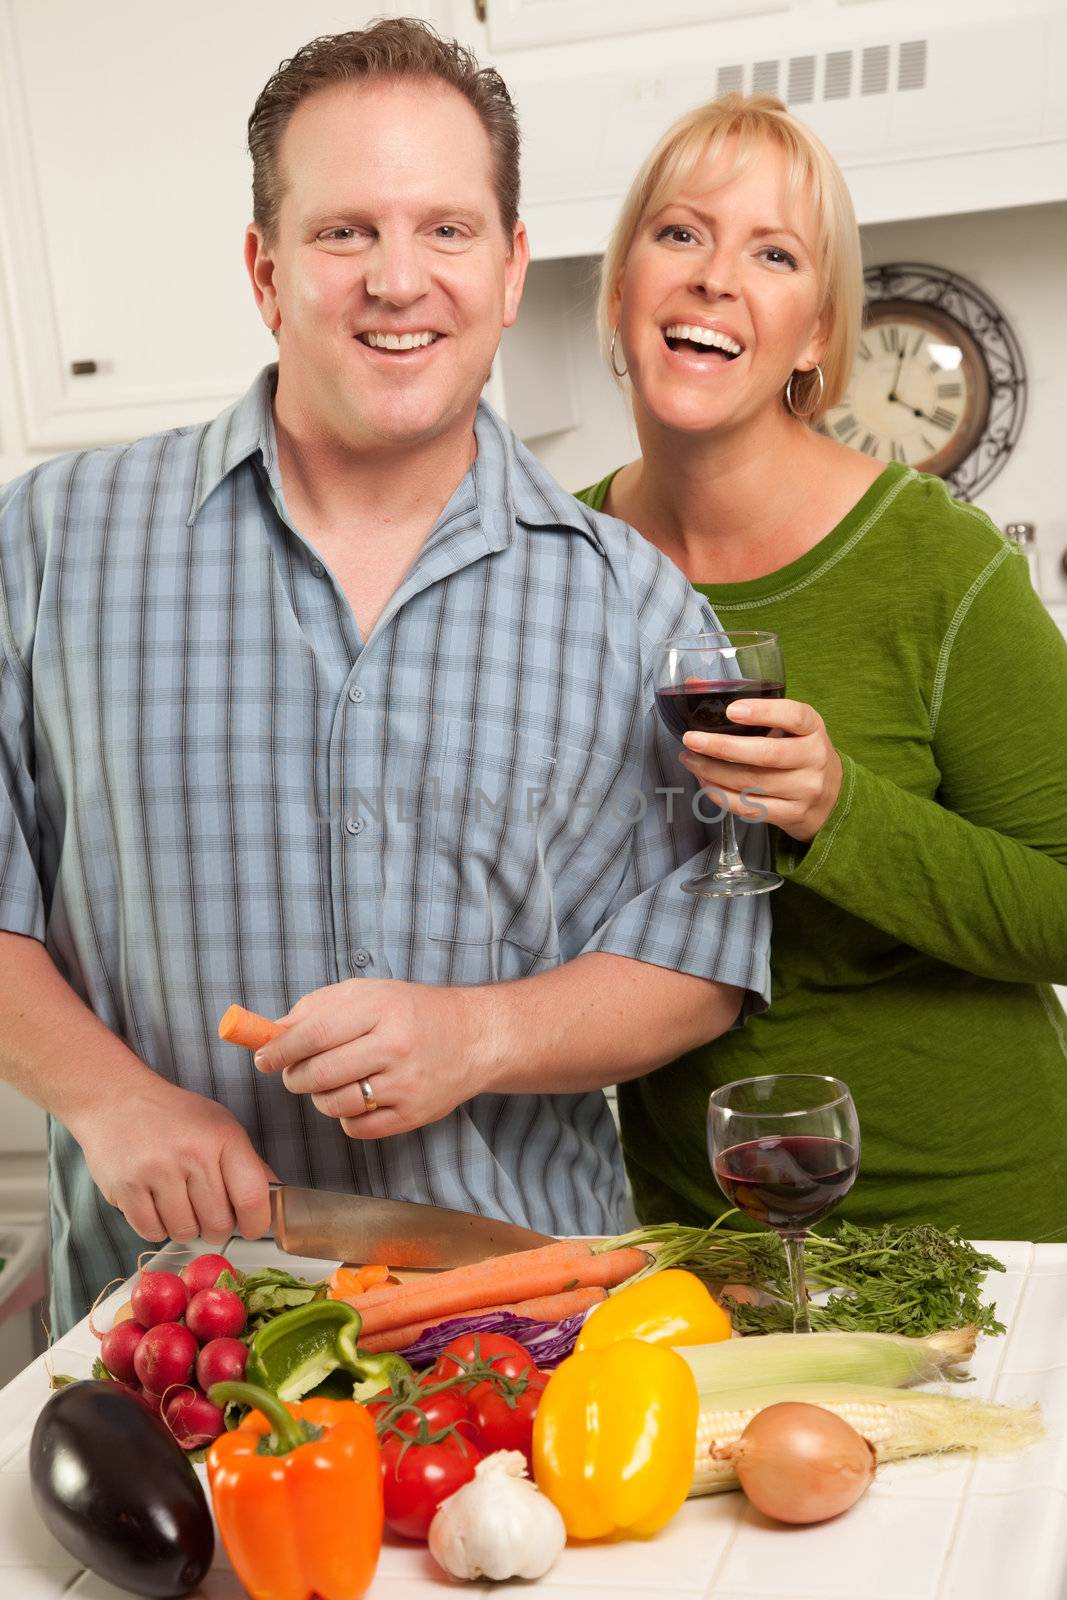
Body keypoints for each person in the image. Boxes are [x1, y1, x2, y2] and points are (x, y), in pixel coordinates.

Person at [0, 23, 771, 1336]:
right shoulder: (52, 544)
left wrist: (480, 1036)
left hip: (520, 1334)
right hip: (168, 1327)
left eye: (446, 232)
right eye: (343, 232)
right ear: (265, 270)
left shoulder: (640, 609)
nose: (395, 281)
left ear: (512, 267)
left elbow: (700, 948)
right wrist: (110, 1099)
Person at [577, 94, 1067, 1241]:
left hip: (976, 1222)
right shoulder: (554, 570)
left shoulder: (932, 563)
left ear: (811, 336)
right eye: (680, 233)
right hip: (704, 1236)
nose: (712, 277)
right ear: (621, 289)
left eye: (772, 252)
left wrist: (840, 810)